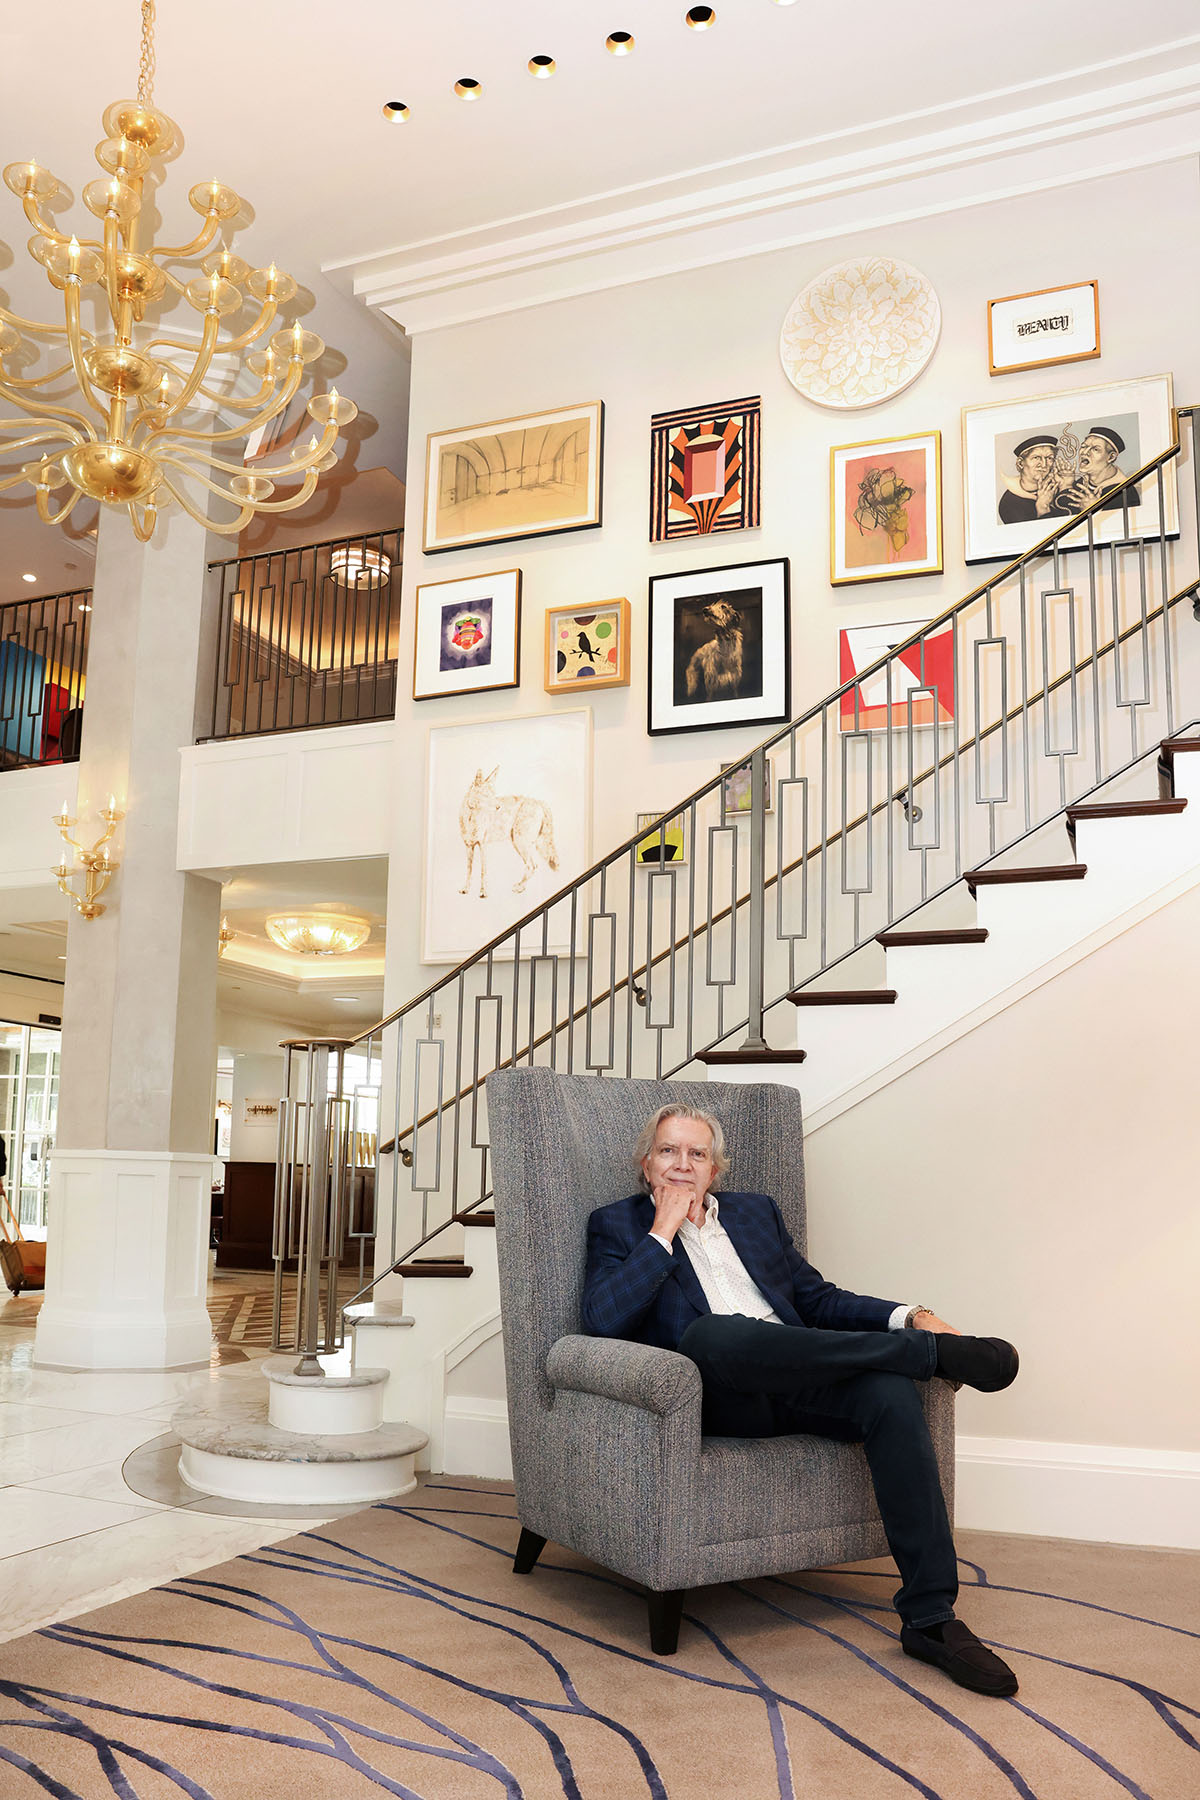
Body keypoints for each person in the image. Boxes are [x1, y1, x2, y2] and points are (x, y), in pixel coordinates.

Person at [582, 1103, 1021, 1697]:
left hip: (800, 1375)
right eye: (668, 1151)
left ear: (715, 1170)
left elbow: (818, 1300)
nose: (682, 1165)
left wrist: (908, 1314)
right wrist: (662, 1233)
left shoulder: (756, 1214)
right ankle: (928, 1357)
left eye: (697, 1154)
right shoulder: (618, 1225)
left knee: (891, 1396)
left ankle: (931, 1618)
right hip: (717, 1393)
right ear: (645, 1164)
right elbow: (603, 1323)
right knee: (712, 1333)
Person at [1051, 424, 1137, 516]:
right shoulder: (1080, 484)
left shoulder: (1125, 492)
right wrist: (1066, 485)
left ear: (1111, 457)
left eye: (1095, 449)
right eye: (1084, 446)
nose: (1084, 452)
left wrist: (1097, 512)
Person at [997, 433, 1060, 523]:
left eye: (1049, 458)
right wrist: (1043, 508)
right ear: (1020, 463)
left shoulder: (1059, 487)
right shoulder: (1009, 503)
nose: (1044, 464)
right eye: (1036, 458)